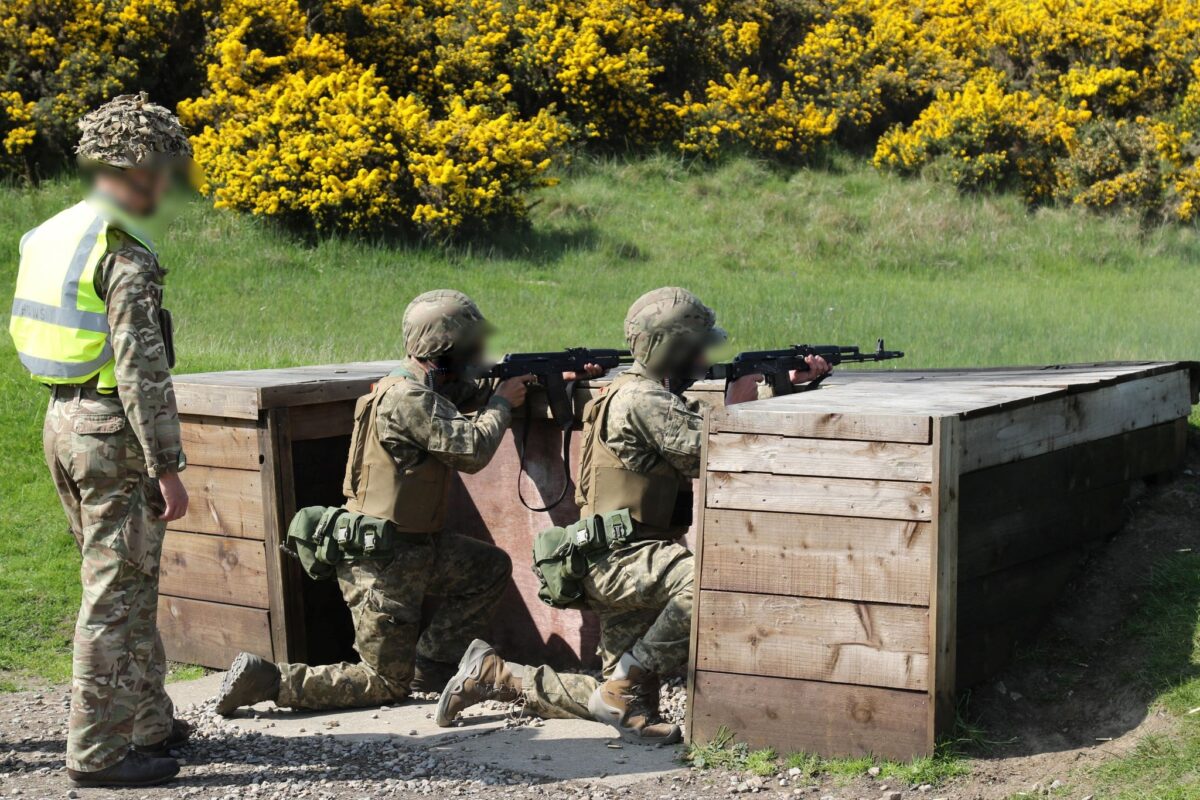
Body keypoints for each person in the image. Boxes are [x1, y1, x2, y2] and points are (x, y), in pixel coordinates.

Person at [435, 287, 830, 744]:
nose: (704, 358)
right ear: (671, 348)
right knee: (707, 580)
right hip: (621, 559)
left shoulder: (639, 393)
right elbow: (715, 454)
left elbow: (692, 423)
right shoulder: (644, 400)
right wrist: (745, 403)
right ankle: (631, 680)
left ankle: (495, 676)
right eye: (697, 348)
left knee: (618, 696)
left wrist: (779, 388)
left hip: (615, 555)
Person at [213, 290, 601, 714]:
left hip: (414, 550)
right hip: (381, 566)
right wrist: (502, 404)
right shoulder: (408, 399)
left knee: (488, 569)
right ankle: (268, 680)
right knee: (382, 683)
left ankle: (432, 666)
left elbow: (469, 391)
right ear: (443, 351)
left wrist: (550, 375)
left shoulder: (422, 386)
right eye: (469, 348)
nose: (478, 354)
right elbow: (471, 449)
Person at [9, 93, 195, 787]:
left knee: (125, 580)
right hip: (113, 430)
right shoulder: (123, 253)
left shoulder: (52, 232)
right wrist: (167, 466)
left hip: (61, 420)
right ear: (142, 167)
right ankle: (97, 753)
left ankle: (148, 722)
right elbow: (143, 374)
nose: (170, 185)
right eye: (168, 170)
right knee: (115, 594)